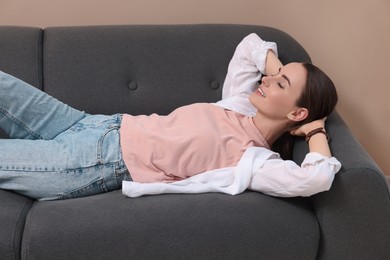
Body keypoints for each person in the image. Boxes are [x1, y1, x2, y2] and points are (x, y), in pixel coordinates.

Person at [0, 33, 340, 201]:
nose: (267, 80)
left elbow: (314, 180)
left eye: (281, 84)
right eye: (274, 75)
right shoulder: (238, 104)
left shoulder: (254, 161)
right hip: (91, 123)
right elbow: (249, 46)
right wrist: (277, 71)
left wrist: (314, 132)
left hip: (93, 162)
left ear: (297, 112)